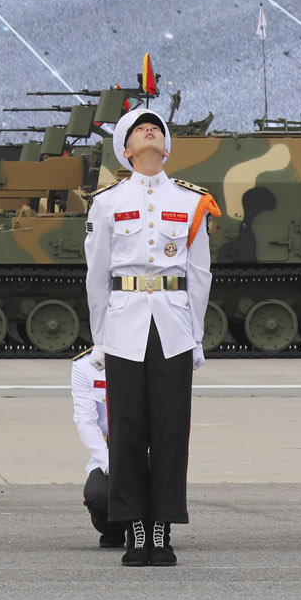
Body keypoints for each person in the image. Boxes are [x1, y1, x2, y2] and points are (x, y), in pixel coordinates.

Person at [84, 108, 216, 566]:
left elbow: (200, 274)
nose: (150, 132)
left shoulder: (191, 200)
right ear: (126, 149)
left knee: (170, 431)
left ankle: (161, 529)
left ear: (166, 146)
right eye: (141, 128)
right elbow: (96, 275)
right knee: (127, 431)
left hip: (173, 324)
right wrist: (100, 339)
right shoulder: (106, 203)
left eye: (156, 128)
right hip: (124, 324)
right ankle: (135, 528)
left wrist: (195, 336)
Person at [72, 345, 129, 548]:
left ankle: (152, 530)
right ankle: (113, 529)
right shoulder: (85, 367)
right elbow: (85, 421)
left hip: (145, 449)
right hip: (108, 451)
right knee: (99, 496)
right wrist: (108, 465)